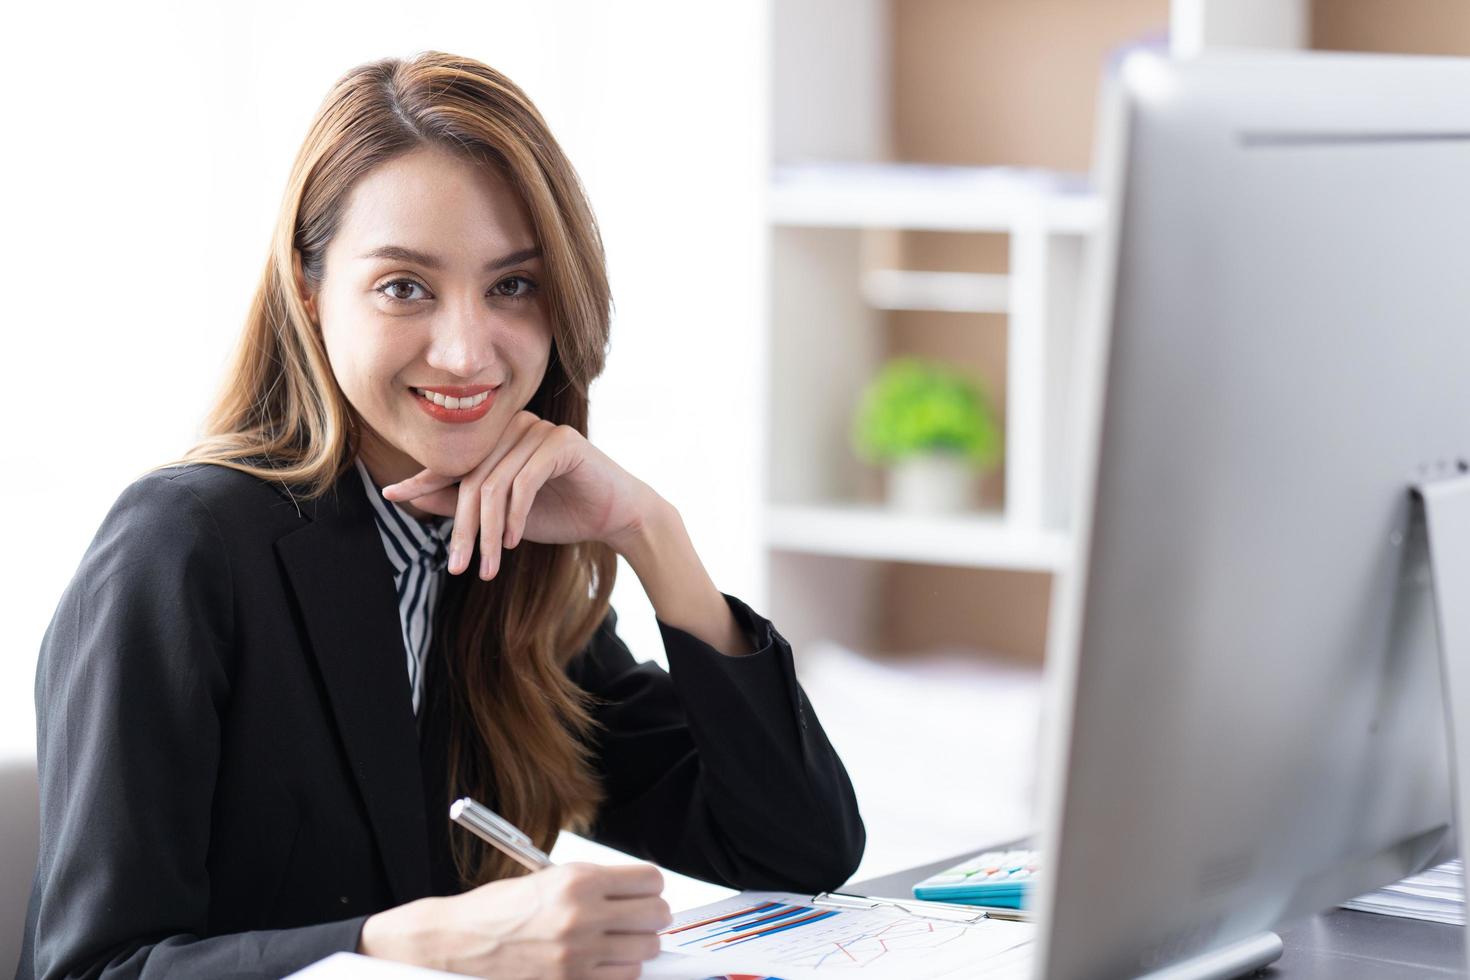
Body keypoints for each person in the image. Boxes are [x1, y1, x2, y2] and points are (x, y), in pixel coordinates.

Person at [16, 50, 864, 980]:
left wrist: (651, 536)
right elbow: (94, 969)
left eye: (512, 286)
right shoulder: (183, 550)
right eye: (404, 287)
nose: (465, 353)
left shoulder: (498, 560)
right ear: (310, 294)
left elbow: (795, 852)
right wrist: (388, 945)